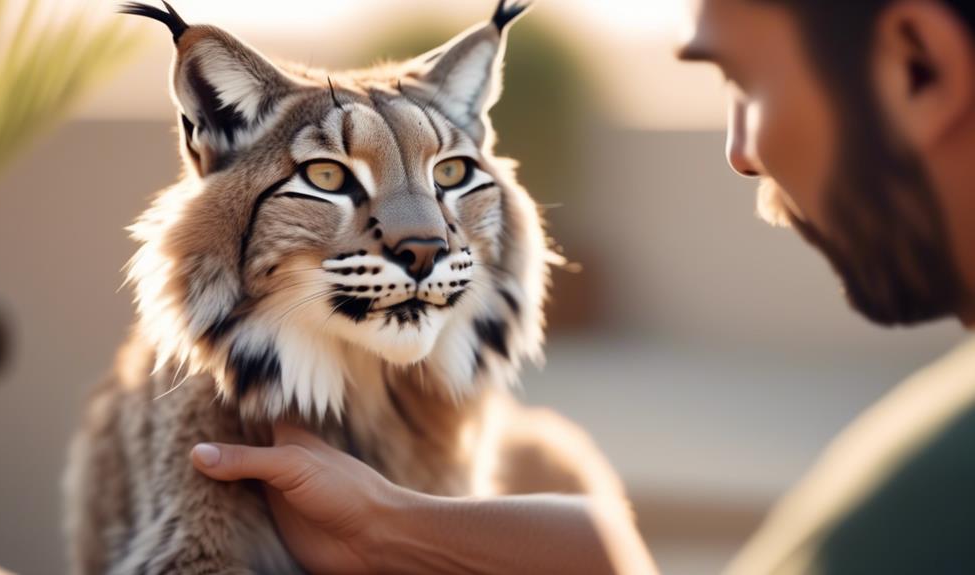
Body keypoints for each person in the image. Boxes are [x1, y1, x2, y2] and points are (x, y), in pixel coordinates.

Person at [192, 0, 975, 572]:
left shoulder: (924, 504)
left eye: (743, 81)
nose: (739, 152)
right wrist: (392, 523)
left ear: (919, 67)